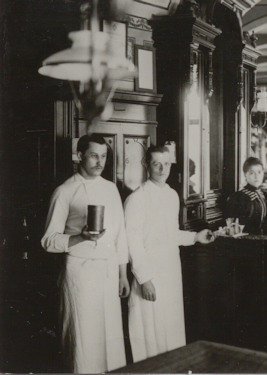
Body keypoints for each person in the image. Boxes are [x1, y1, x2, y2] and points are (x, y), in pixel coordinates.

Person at [41, 134, 130, 373]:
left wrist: (123, 274)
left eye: (103, 156)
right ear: (79, 156)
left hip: (109, 272)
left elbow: (120, 235)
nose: (99, 162)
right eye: (93, 156)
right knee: (83, 340)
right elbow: (48, 241)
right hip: (80, 274)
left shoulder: (111, 189)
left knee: (109, 339)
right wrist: (80, 237)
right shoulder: (65, 191)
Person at [124, 145, 214, 363]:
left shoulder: (172, 195)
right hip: (149, 273)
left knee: (170, 330)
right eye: (156, 163)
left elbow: (171, 234)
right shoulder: (137, 199)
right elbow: (132, 243)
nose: (162, 169)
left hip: (170, 270)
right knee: (149, 331)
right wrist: (145, 280)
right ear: (146, 165)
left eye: (166, 164)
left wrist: (195, 237)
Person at [225, 157, 267, 235]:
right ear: (245, 175)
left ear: (263, 173)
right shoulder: (240, 197)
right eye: (252, 173)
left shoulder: (265, 195)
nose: (256, 176)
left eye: (259, 172)